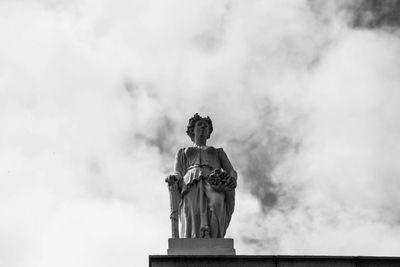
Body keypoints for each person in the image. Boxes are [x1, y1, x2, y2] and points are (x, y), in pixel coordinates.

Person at [166, 113, 237, 238]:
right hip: (190, 182)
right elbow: (178, 172)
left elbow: (232, 171)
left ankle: (215, 238)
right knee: (193, 211)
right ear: (192, 130)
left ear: (209, 133)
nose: (203, 128)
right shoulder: (182, 152)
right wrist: (174, 177)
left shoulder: (218, 152)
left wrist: (232, 179)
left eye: (206, 126)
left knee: (217, 205)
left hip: (214, 182)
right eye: (200, 125)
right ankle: (193, 238)